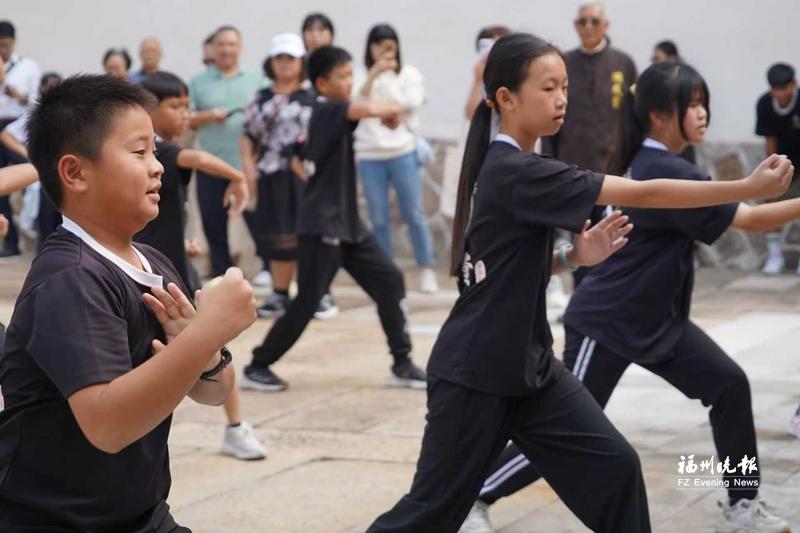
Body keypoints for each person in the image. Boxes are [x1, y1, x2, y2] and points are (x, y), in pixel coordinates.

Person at [366, 33, 793, 533]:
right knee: (430, 513)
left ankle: (740, 502)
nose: (562, 98)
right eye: (548, 88)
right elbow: (646, 193)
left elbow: (503, 263)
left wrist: (571, 256)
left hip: (532, 368)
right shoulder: (516, 169)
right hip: (477, 375)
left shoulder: (516, 168)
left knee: (617, 470)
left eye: (564, 86)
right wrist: (746, 187)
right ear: (505, 98)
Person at [0, 74, 257, 530]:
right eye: (139, 153)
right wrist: (205, 333)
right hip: (52, 519)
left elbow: (213, 391)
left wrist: (206, 351)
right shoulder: (72, 279)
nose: (157, 166)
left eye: (155, 151)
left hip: (140, 512)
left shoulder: (151, 261)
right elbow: (108, 425)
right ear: (75, 173)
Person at [241, 46, 429, 392]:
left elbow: (296, 155)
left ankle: (402, 363)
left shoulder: (328, 112)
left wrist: (313, 178)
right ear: (323, 83)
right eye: (342, 76)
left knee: (389, 280)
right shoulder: (327, 108)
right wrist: (393, 110)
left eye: (349, 74)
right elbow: (365, 107)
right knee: (308, 301)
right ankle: (258, 365)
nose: (348, 81)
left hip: (347, 226)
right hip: (322, 226)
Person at [135, 71, 265, 461]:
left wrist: (184, 240)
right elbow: (198, 157)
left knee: (214, 351)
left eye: (188, 105)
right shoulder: (160, 152)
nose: (186, 114)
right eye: (176, 106)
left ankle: (236, 428)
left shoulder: (160, 157)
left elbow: (170, 210)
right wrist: (238, 174)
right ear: (147, 111)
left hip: (174, 271)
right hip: (152, 279)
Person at [355, 24, 438, 293]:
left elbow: (413, 100)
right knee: (378, 218)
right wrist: (375, 74)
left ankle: (426, 269)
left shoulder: (408, 74)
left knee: (414, 213)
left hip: (403, 151)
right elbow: (357, 103)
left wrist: (387, 95)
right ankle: (384, 272)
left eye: (390, 44)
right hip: (369, 155)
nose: (384, 49)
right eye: (379, 44)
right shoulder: (361, 74)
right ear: (370, 47)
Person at [241, 34, 315, 318]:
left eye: (291, 58)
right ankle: (280, 292)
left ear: (301, 62)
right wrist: (248, 167)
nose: (285, 64)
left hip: (302, 177)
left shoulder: (310, 99)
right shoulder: (260, 98)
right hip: (270, 176)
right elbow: (248, 135)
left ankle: (316, 294)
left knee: (307, 235)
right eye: (279, 58)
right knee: (276, 235)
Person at [189, 25, 265, 277]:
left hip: (248, 164)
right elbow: (185, 118)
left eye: (231, 44)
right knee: (213, 223)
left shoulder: (257, 78)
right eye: (221, 44)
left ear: (240, 47)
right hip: (211, 163)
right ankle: (223, 274)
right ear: (213, 48)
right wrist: (206, 116)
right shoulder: (199, 82)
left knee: (258, 220)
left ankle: (270, 270)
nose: (226, 49)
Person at [540, 2, 636, 173]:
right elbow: (548, 113)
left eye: (595, 22)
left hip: (613, 163)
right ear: (575, 26)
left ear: (606, 26)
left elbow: (634, 115)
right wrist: (549, 162)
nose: (588, 27)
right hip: (569, 163)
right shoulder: (562, 62)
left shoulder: (623, 63)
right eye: (583, 22)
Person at [0, 20, 40, 258]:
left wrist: (20, 95)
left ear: (13, 42)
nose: (2, 51)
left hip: (18, 127)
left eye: (5, 45)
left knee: (36, 171)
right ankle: (11, 244)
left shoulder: (29, 67)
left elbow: (36, 101)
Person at [757, 62, 800, 274]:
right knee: (770, 207)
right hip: (782, 163)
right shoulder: (765, 104)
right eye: (775, 89)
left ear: (794, 84)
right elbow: (769, 140)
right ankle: (774, 255)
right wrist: (772, 171)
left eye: (783, 88)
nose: (779, 93)